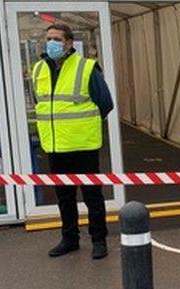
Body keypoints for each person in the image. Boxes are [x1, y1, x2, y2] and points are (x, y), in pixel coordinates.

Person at [33, 23, 114, 259]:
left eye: (57, 39)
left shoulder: (87, 67)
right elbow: (42, 103)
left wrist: (82, 127)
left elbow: (105, 103)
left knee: (92, 195)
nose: (51, 43)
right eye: (48, 38)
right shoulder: (39, 69)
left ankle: (99, 240)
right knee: (64, 197)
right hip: (55, 146)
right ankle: (69, 239)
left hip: (83, 145)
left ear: (69, 43)